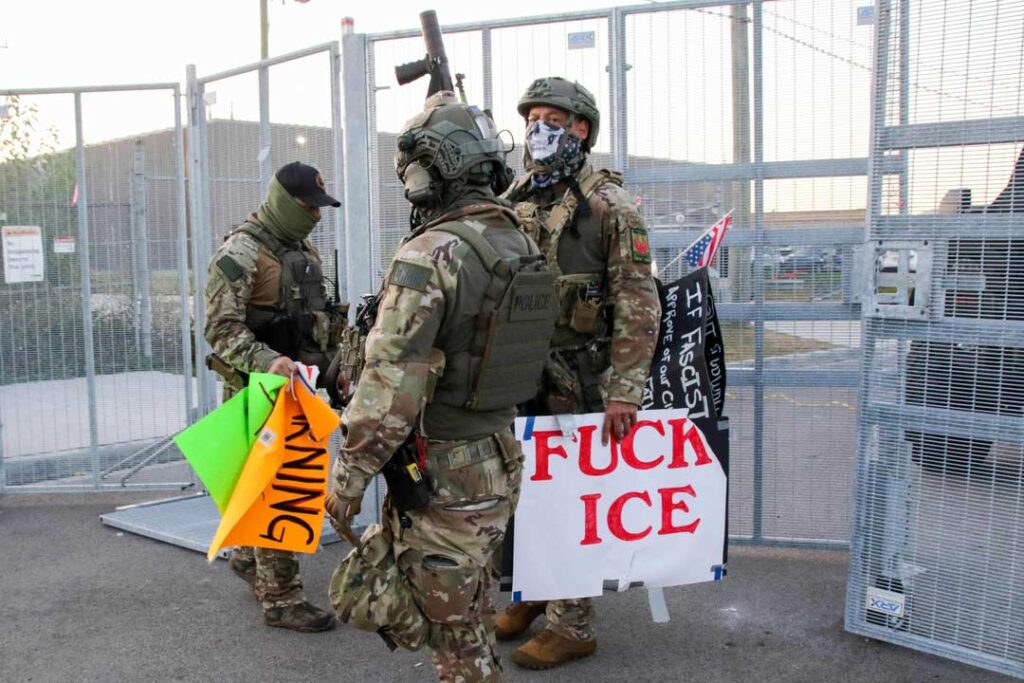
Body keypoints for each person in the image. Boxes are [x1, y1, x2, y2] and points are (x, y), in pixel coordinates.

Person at [325, 93, 556, 681]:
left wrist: (347, 480)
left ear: (429, 171)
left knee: (452, 638)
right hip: (497, 458)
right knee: (470, 611)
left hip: (443, 474)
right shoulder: (516, 241)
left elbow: (389, 386)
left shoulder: (432, 254)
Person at [494, 76, 662, 670]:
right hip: (521, 376)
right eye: (532, 116)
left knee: (572, 501)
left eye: (551, 118)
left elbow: (640, 304)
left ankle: (574, 624)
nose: (538, 127)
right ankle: (535, 592)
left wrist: (624, 392)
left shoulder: (608, 207)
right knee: (525, 496)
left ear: (580, 129)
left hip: (580, 381)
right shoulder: (517, 196)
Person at [204, 161, 346, 633]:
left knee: (282, 485)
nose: (316, 217)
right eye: (308, 207)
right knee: (278, 492)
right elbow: (219, 329)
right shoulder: (241, 253)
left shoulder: (300, 248)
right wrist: (268, 362)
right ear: (285, 201)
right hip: (257, 390)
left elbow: (314, 314)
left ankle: (248, 559)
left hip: (298, 388)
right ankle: (282, 600)